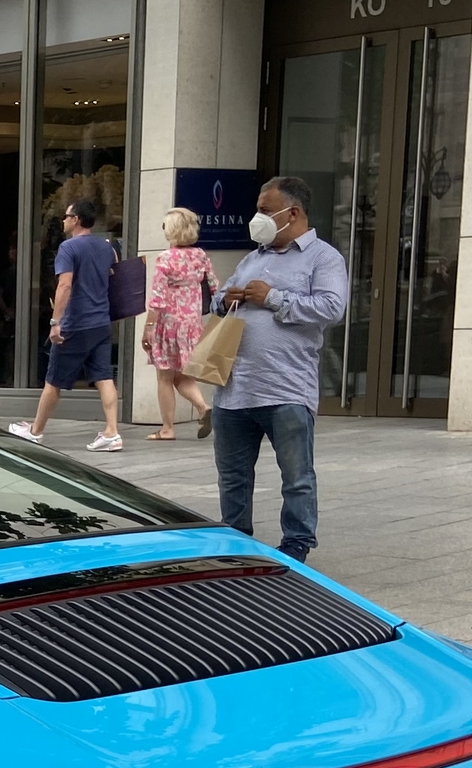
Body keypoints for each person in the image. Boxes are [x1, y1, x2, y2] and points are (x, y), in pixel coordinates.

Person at [207, 176, 347, 562]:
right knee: (233, 476)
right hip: (233, 389)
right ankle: (236, 540)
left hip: (285, 389)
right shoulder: (254, 257)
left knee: (297, 476)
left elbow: (332, 308)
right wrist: (225, 299)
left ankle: (296, 543)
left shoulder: (324, 258)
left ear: (293, 213)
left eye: (265, 211)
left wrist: (274, 298)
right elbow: (220, 298)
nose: (258, 218)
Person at [9, 199, 122, 451]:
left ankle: (35, 431)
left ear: (77, 220)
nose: (63, 220)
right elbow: (114, 277)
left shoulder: (68, 248)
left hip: (75, 323)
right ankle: (112, 432)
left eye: (66, 216)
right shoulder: (107, 248)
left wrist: (55, 322)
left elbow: (65, 285)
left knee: (54, 380)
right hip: (101, 322)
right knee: (104, 377)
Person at [141, 207, 218, 441]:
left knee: (164, 376)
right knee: (182, 374)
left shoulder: (166, 258)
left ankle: (167, 428)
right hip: (192, 323)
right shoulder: (200, 256)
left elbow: (157, 298)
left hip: (168, 323)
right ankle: (203, 407)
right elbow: (214, 286)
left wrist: (148, 328)